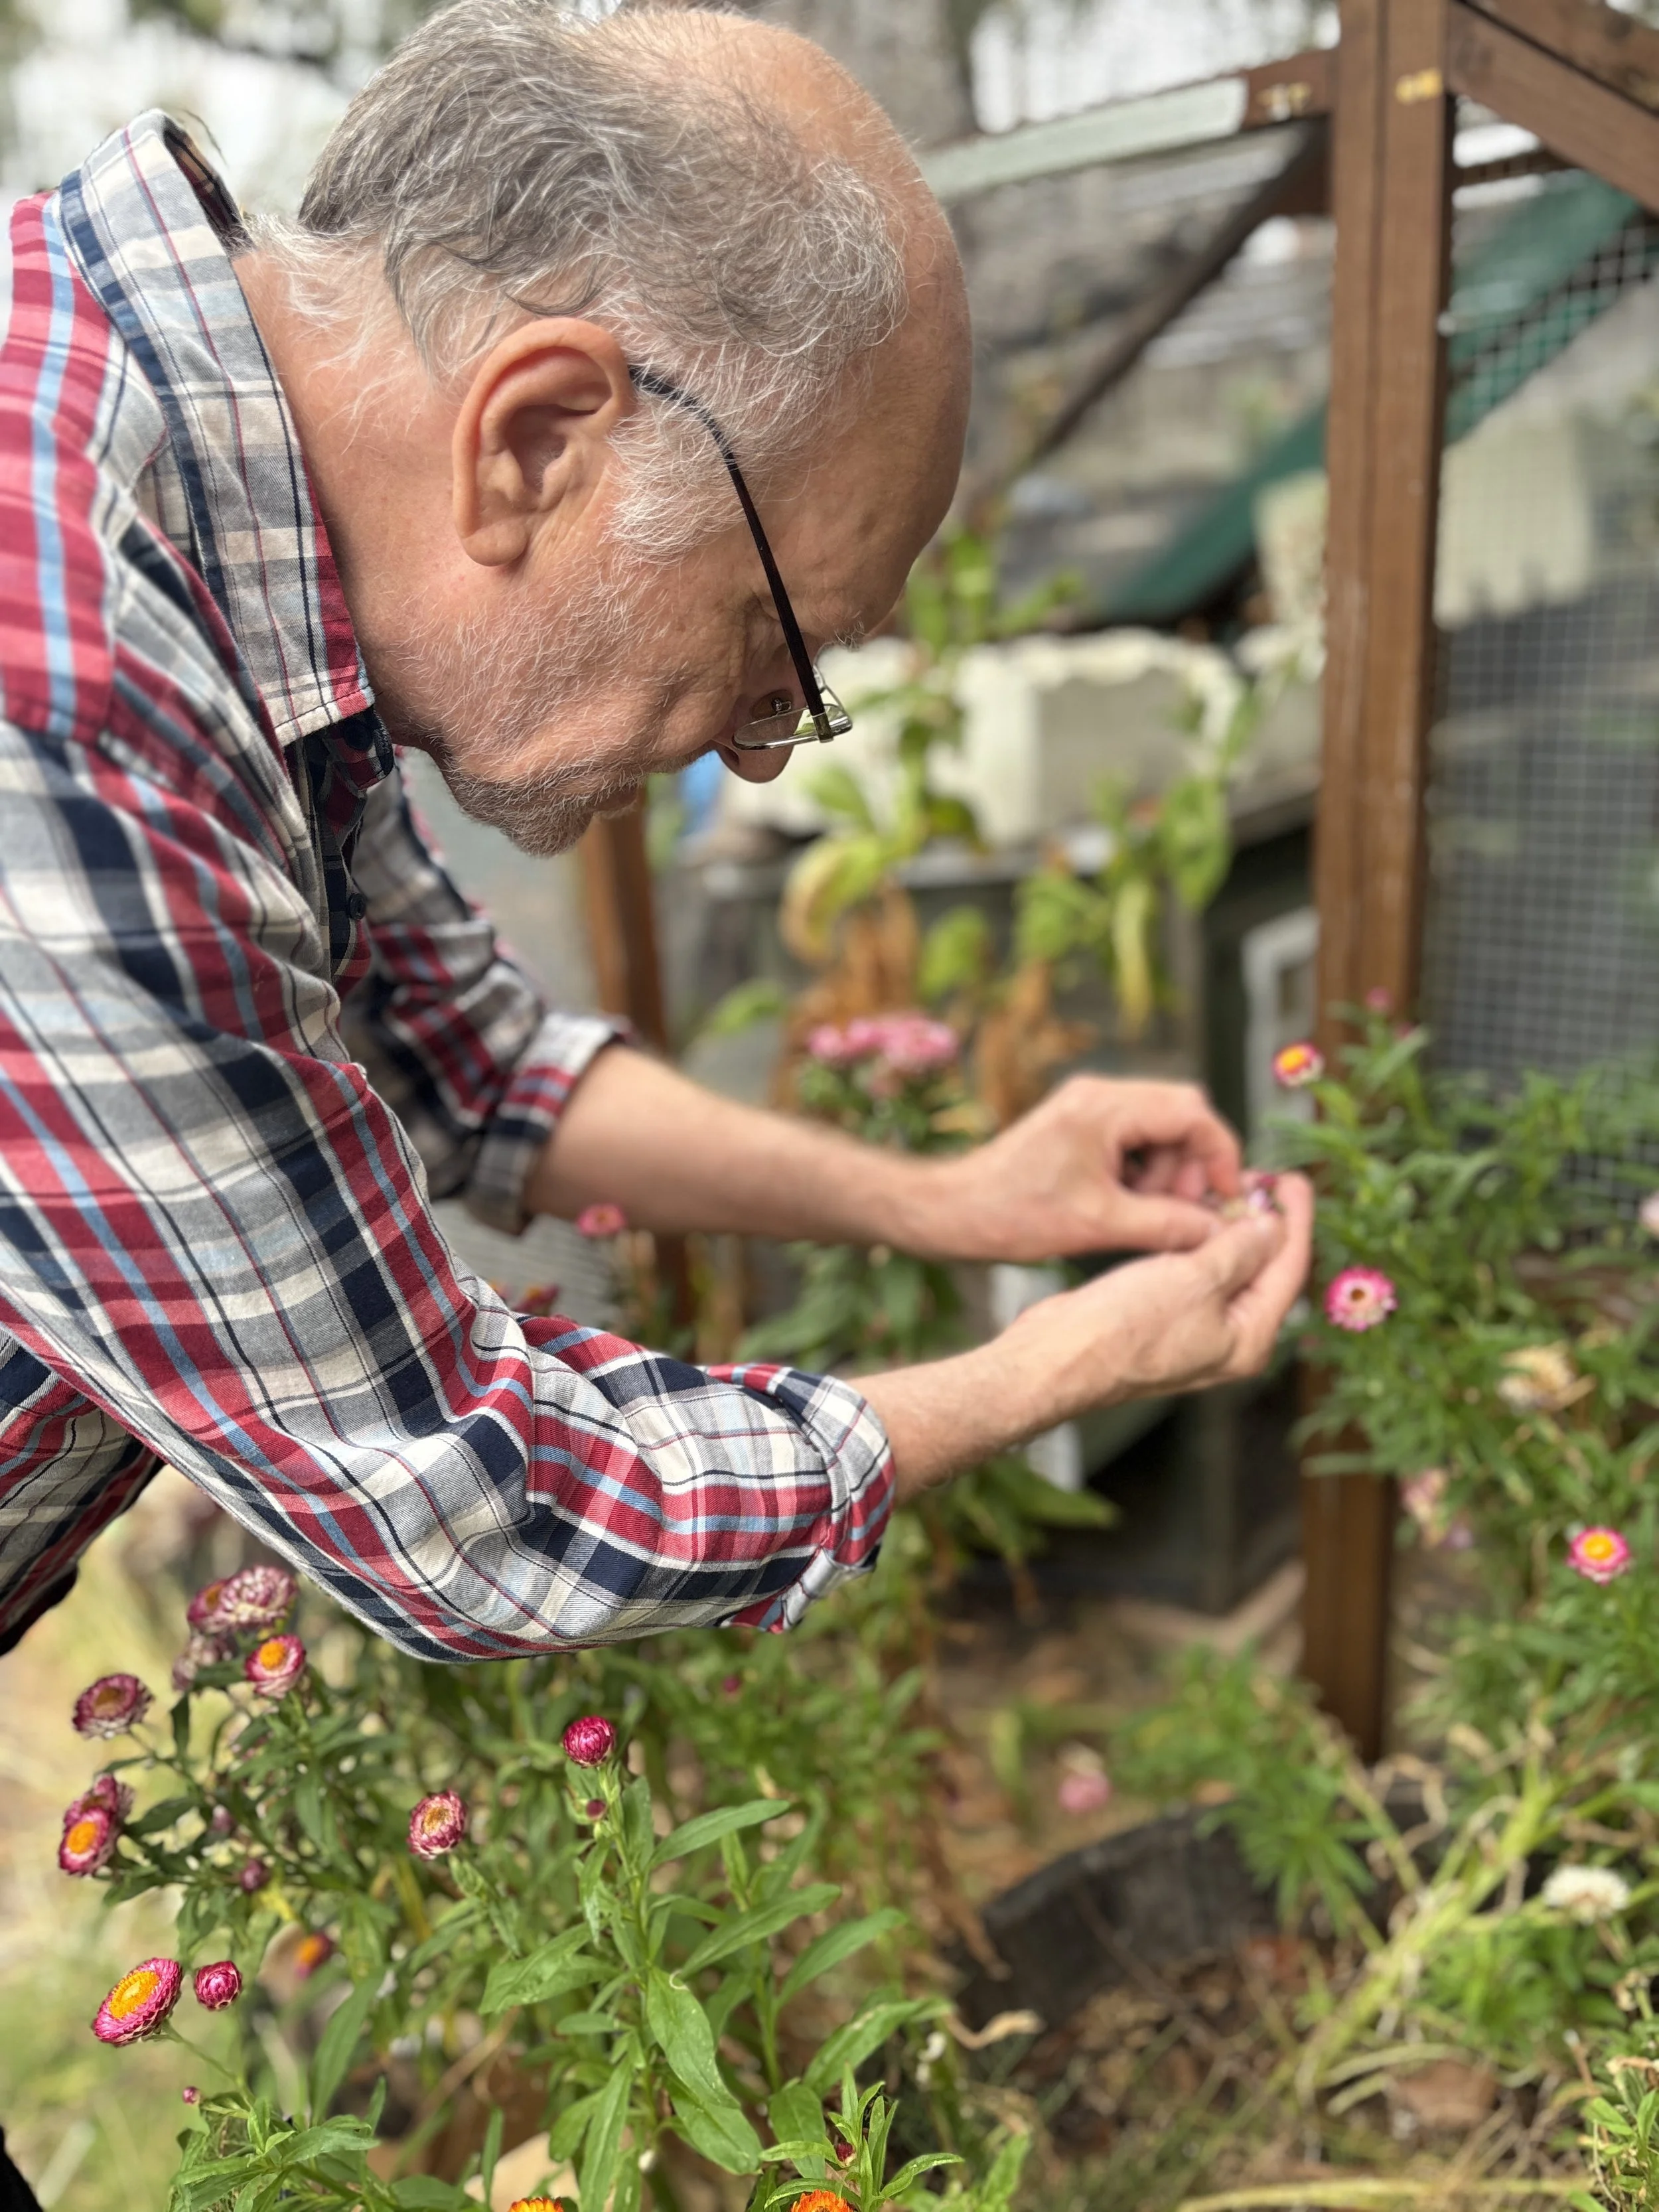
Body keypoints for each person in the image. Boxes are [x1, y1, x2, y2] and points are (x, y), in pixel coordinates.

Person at [0, 0, 1312, 1677]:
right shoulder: (64, 679)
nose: (758, 757)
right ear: (537, 436)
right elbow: (461, 1508)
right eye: (775, 651)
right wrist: (1046, 1368)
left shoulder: (230, 531)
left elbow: (479, 1067)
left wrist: (950, 1198)